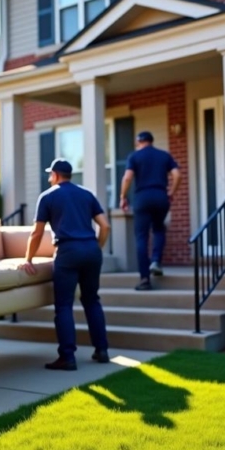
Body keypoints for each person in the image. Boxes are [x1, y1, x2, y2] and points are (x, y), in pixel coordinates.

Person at [20, 158, 111, 371]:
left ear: (56, 175)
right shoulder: (87, 195)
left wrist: (28, 259)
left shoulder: (48, 196)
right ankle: (102, 350)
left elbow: (37, 232)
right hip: (91, 250)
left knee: (63, 305)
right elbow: (104, 226)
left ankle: (67, 357)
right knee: (92, 301)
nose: (49, 178)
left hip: (67, 252)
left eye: (50, 175)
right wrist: (97, 247)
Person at [119, 131, 181, 291]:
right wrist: (171, 193)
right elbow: (177, 174)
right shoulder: (164, 155)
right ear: (151, 141)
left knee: (141, 237)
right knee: (159, 229)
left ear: (139, 142)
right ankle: (156, 261)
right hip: (161, 196)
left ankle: (145, 279)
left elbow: (127, 178)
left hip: (142, 198)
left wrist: (122, 196)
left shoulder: (135, 156)